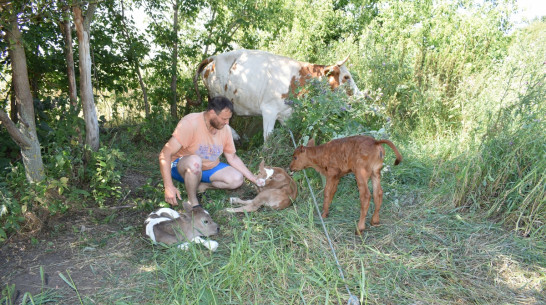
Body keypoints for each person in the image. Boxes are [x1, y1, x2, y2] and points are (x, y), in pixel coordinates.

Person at [159, 96, 264, 207]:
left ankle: (202, 186)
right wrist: (168, 186)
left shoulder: (225, 129)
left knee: (237, 179)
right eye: (224, 119)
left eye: (229, 119)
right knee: (195, 161)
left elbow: (232, 157)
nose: (227, 123)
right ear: (212, 113)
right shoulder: (190, 123)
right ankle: (193, 202)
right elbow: (165, 153)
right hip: (182, 168)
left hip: (209, 168)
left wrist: (253, 178)